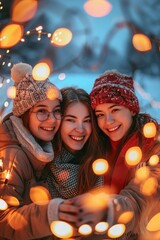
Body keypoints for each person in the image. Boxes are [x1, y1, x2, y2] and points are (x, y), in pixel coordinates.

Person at [68, 70, 160, 239]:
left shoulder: (153, 147)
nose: (108, 121)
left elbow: (139, 199)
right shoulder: (98, 147)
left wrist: (108, 210)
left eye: (115, 109)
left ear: (132, 109)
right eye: (100, 115)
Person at [0, 62, 64, 240]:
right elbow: (2, 221)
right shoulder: (13, 156)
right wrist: (51, 213)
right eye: (42, 111)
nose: (52, 120)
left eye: (56, 111)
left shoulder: (39, 146)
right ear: (25, 114)